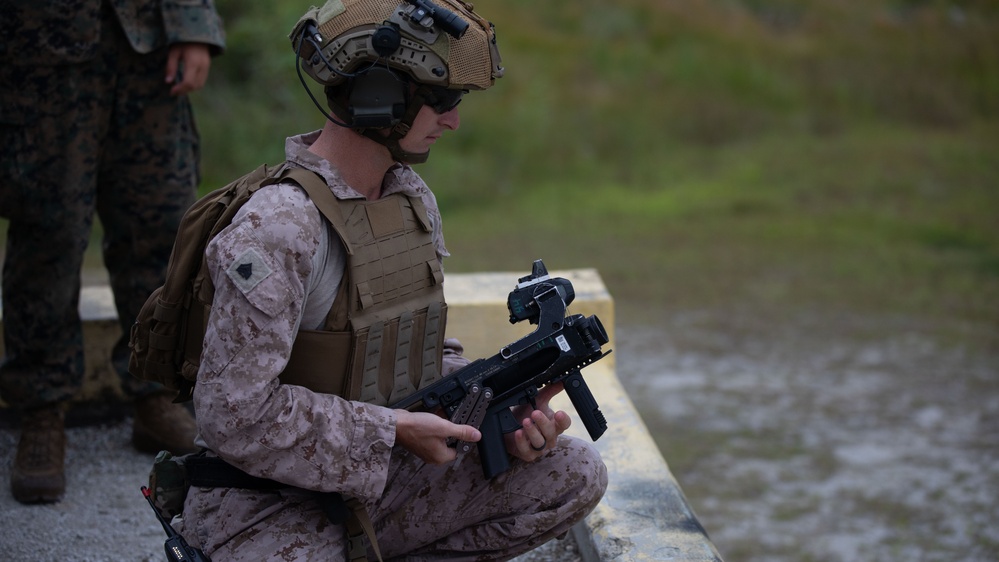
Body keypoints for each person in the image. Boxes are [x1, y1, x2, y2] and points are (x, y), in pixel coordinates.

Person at [172, 0, 608, 559]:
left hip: (385, 474)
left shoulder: (409, 198)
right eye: (443, 100)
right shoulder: (280, 227)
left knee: (572, 473)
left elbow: (419, 350)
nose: (453, 120)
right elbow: (233, 415)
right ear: (379, 98)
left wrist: (498, 406)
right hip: (270, 499)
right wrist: (389, 430)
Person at [0, 0, 225, 504]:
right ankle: (41, 407)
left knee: (163, 224)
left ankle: (154, 392)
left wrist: (193, 26)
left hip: (147, 47)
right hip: (37, 53)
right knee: (48, 232)